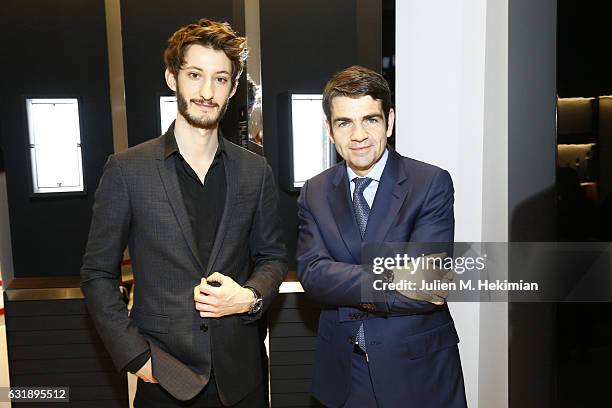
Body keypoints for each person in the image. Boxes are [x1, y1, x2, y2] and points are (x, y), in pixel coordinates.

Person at [80, 18, 287, 407]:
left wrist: (250, 296)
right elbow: (96, 274)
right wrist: (136, 357)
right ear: (173, 77)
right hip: (164, 376)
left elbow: (272, 256)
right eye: (195, 75)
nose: (207, 92)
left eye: (220, 79)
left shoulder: (254, 170)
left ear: (233, 88)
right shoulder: (127, 170)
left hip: (242, 377)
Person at [297, 66, 466, 407]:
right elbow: (312, 276)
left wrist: (342, 282)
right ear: (330, 130)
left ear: (389, 122)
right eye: (344, 122)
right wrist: (397, 276)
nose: (358, 134)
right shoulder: (314, 191)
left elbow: (429, 284)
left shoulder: (429, 183)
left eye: (370, 120)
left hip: (417, 370)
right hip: (344, 371)